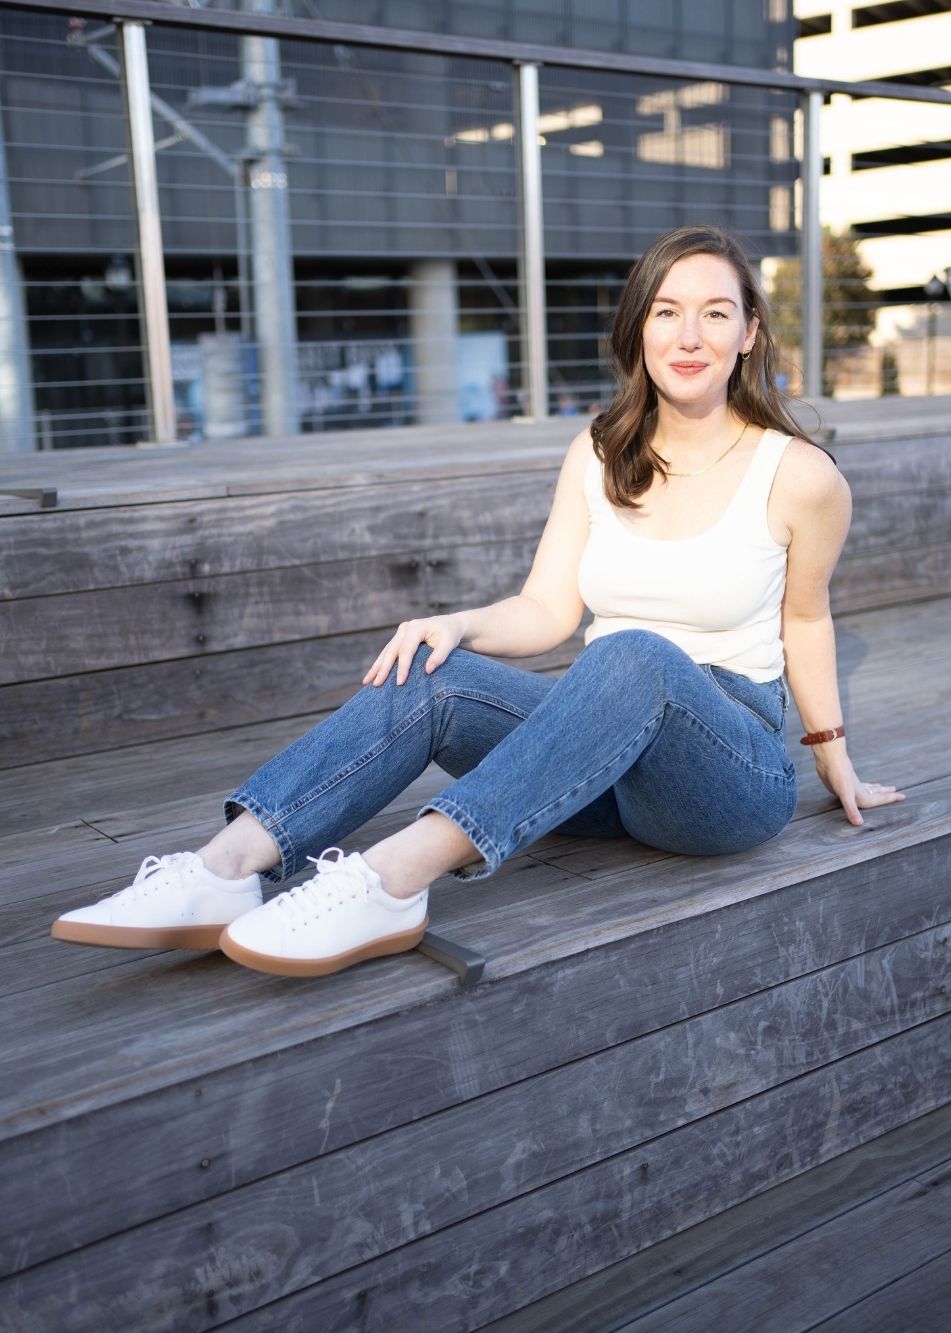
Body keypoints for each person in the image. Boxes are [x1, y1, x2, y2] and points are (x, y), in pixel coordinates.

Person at [51, 225, 903, 978]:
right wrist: (453, 623)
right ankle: (224, 869)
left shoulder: (798, 472)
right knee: (439, 671)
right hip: (600, 759)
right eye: (666, 311)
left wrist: (831, 752)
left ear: (749, 332)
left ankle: (390, 879)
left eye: (716, 312)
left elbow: (805, 617)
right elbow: (546, 609)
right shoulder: (600, 452)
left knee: (631, 652)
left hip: (728, 774)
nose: (690, 335)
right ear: (638, 327)